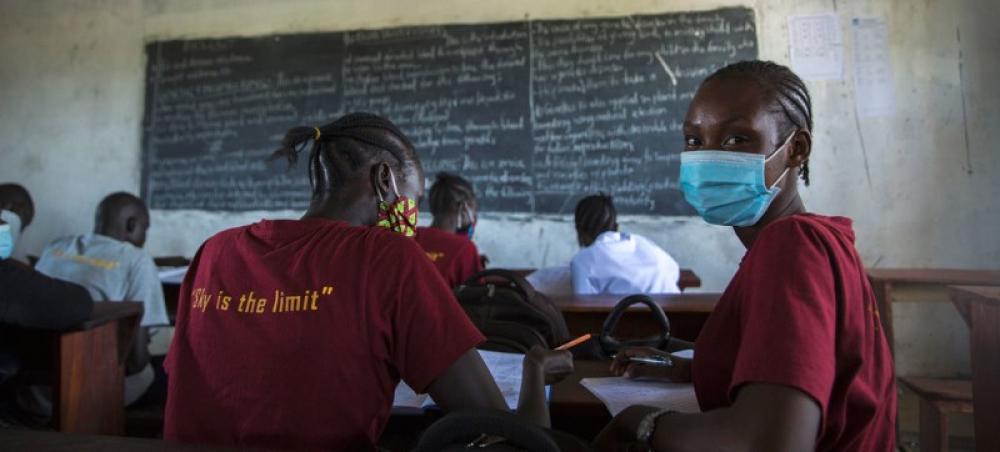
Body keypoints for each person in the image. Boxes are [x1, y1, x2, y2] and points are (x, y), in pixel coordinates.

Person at [164, 113, 571, 450]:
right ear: (384, 182)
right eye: (412, 199)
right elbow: (507, 436)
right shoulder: (388, 256)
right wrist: (534, 371)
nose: (412, 217)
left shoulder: (214, 251)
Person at [592, 60, 896, 452]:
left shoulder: (792, 246)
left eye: (737, 139)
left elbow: (768, 443)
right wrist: (691, 368)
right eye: (694, 141)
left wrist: (642, 422)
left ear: (796, 150)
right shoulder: (813, 240)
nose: (708, 157)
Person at [30, 192, 168, 409]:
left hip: (35, 385)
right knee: (171, 374)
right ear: (132, 224)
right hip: (85, 391)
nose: (145, 236)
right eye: (145, 228)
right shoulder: (135, 259)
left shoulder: (56, 246)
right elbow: (136, 361)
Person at [571, 194, 680, 295]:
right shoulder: (644, 243)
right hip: (672, 314)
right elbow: (674, 270)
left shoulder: (583, 261)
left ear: (580, 231)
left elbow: (583, 303)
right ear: (616, 227)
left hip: (630, 315)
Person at [414, 172, 484, 287]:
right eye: (473, 208)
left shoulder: (410, 237)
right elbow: (477, 295)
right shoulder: (465, 248)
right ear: (463, 207)